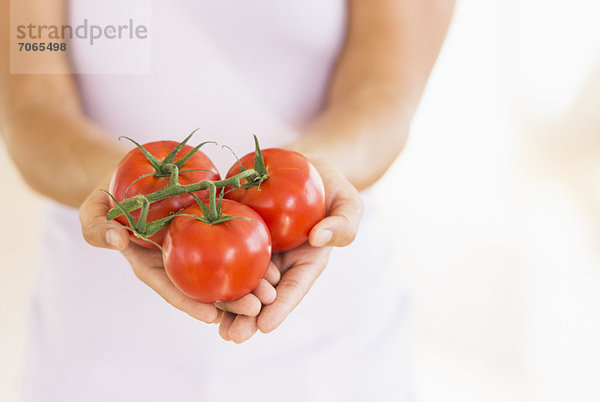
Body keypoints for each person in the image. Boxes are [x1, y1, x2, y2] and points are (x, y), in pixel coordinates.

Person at [0, 0, 454, 400]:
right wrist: (126, 191)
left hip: (334, 358)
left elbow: (384, 93)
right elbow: (33, 108)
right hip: (95, 355)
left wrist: (311, 179)